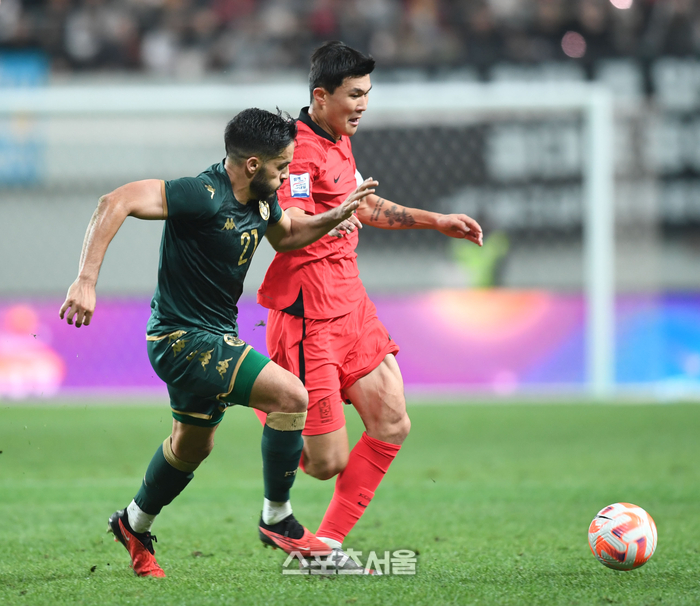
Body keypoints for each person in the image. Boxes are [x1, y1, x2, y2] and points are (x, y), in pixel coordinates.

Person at [58, 108, 376, 578]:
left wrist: (335, 215)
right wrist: (86, 280)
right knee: (291, 396)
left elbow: (288, 235)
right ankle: (278, 518)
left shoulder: (263, 202)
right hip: (181, 338)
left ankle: (132, 523)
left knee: (190, 447)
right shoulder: (201, 194)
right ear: (252, 164)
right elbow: (115, 200)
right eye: (281, 167)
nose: (286, 176)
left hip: (215, 335)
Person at [255, 41, 484, 570]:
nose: (362, 105)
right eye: (354, 95)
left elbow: (362, 204)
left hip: (351, 306)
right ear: (321, 96)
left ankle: (328, 544)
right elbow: (287, 227)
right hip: (308, 314)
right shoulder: (297, 151)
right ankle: (272, 406)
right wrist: (336, 217)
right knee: (325, 463)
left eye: (367, 94)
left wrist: (435, 221)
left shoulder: (338, 139)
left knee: (392, 422)